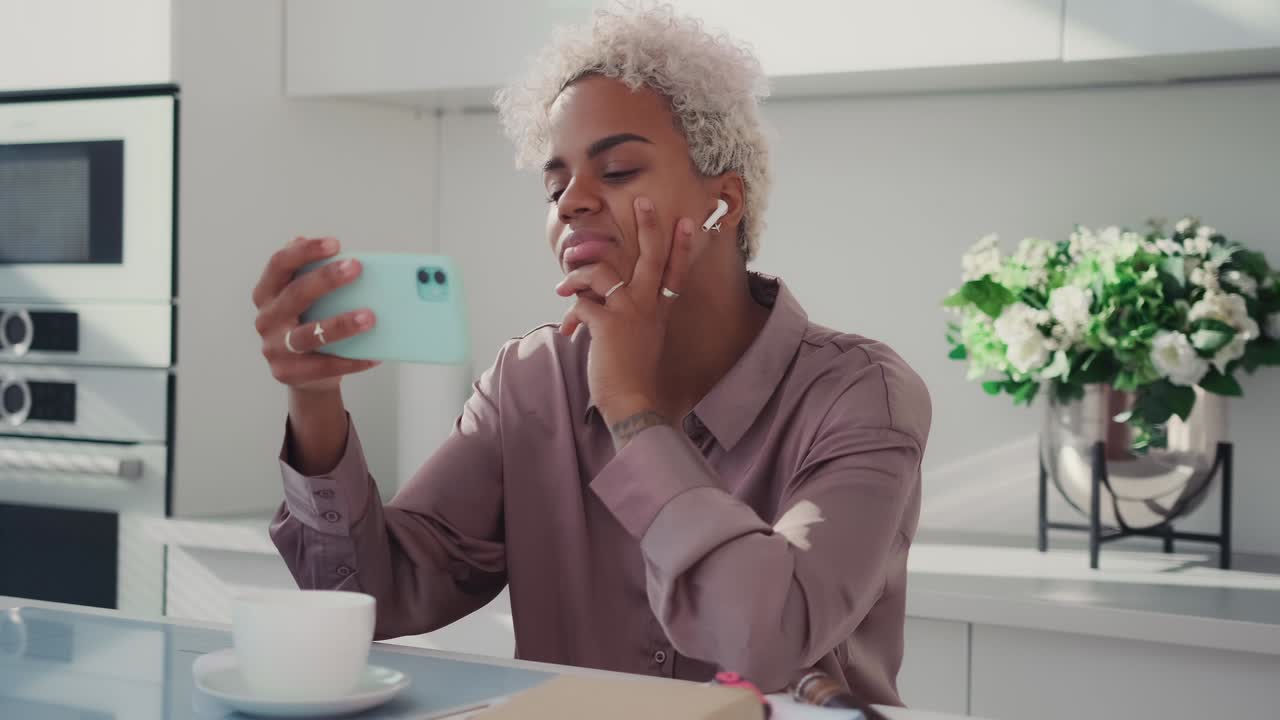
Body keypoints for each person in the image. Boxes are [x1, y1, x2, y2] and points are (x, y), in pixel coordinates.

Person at [251, 3, 930, 706]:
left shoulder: (860, 395)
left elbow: (764, 639)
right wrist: (315, 399)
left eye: (617, 170)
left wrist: (630, 411)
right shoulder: (530, 381)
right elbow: (373, 594)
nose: (572, 201)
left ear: (723, 202)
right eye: (555, 185)